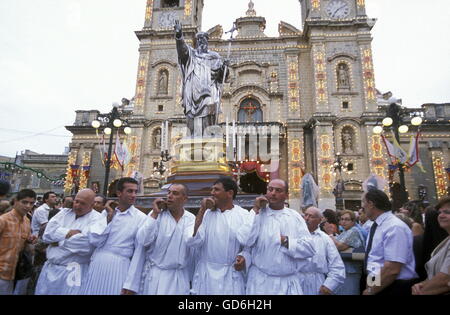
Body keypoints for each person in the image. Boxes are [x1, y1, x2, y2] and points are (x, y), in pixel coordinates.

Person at [245, 179, 315, 295]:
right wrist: (255, 209)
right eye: (270, 189)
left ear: (286, 195)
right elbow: (246, 240)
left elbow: (309, 248)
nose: (273, 193)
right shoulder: (258, 215)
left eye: (278, 190)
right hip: (261, 282)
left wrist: (286, 241)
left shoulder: (294, 217)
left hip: (286, 282)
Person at [186, 176, 253, 295]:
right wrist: (202, 210)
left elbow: (249, 245)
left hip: (230, 275)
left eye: (216, 190)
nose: (212, 193)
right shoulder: (206, 214)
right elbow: (195, 241)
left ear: (230, 193)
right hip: (206, 275)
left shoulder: (243, 215)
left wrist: (244, 257)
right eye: (212, 190)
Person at [82, 178, 147, 295]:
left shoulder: (141, 218)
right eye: (130, 191)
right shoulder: (106, 213)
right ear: (119, 193)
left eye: (135, 192)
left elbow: (139, 252)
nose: (133, 195)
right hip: (98, 264)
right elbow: (94, 240)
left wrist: (131, 283)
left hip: (120, 266)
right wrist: (108, 218)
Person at [35, 189, 102, 295]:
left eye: (83, 203)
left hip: (73, 273)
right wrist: (69, 233)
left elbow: (85, 244)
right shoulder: (64, 213)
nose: (77, 205)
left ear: (92, 204)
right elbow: (47, 234)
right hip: (50, 270)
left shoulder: (97, 219)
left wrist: (58, 241)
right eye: (76, 201)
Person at [135, 184, 195, 295]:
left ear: (185, 198)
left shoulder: (191, 218)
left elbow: (192, 241)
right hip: (157, 276)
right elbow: (143, 240)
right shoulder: (157, 215)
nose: (170, 196)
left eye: (175, 193)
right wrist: (154, 214)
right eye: (169, 192)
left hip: (180, 277)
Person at [174, 20, 229, 136]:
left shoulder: (214, 57)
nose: (200, 41)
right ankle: (193, 134)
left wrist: (225, 67)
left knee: (209, 108)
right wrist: (179, 37)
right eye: (198, 40)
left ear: (207, 41)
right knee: (191, 114)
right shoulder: (191, 55)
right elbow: (182, 50)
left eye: (203, 39)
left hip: (208, 91)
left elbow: (221, 77)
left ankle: (208, 134)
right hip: (192, 92)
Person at [362, 189, 419, 295]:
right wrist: (370, 284)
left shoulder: (394, 227)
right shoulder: (376, 226)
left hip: (394, 286)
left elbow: (392, 268)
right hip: (379, 284)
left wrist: (371, 290)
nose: (362, 207)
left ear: (371, 204)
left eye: (363, 203)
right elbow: (374, 260)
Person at [300, 207, 345, 295]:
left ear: (320, 220)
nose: (307, 218)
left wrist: (328, 286)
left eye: (311, 216)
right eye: (305, 215)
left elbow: (337, 265)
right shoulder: (296, 235)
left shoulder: (325, 239)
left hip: (316, 284)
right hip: (296, 282)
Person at [0, 189, 37, 295]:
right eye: (24, 202)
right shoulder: (3, 220)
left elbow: (25, 246)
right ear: (16, 201)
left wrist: (29, 241)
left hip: (15, 273)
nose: (28, 206)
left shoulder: (27, 221)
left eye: (31, 203)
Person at [412, 197, 450, 295]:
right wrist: (422, 284)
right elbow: (435, 275)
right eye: (439, 212)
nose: (441, 215)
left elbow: (445, 279)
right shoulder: (447, 240)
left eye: (447, 212)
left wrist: (421, 291)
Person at [329, 210, 365, 295]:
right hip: (344, 270)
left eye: (347, 219)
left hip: (351, 271)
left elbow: (339, 246)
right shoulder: (346, 231)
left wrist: (331, 236)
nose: (343, 222)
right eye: (341, 219)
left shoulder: (354, 231)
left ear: (353, 221)